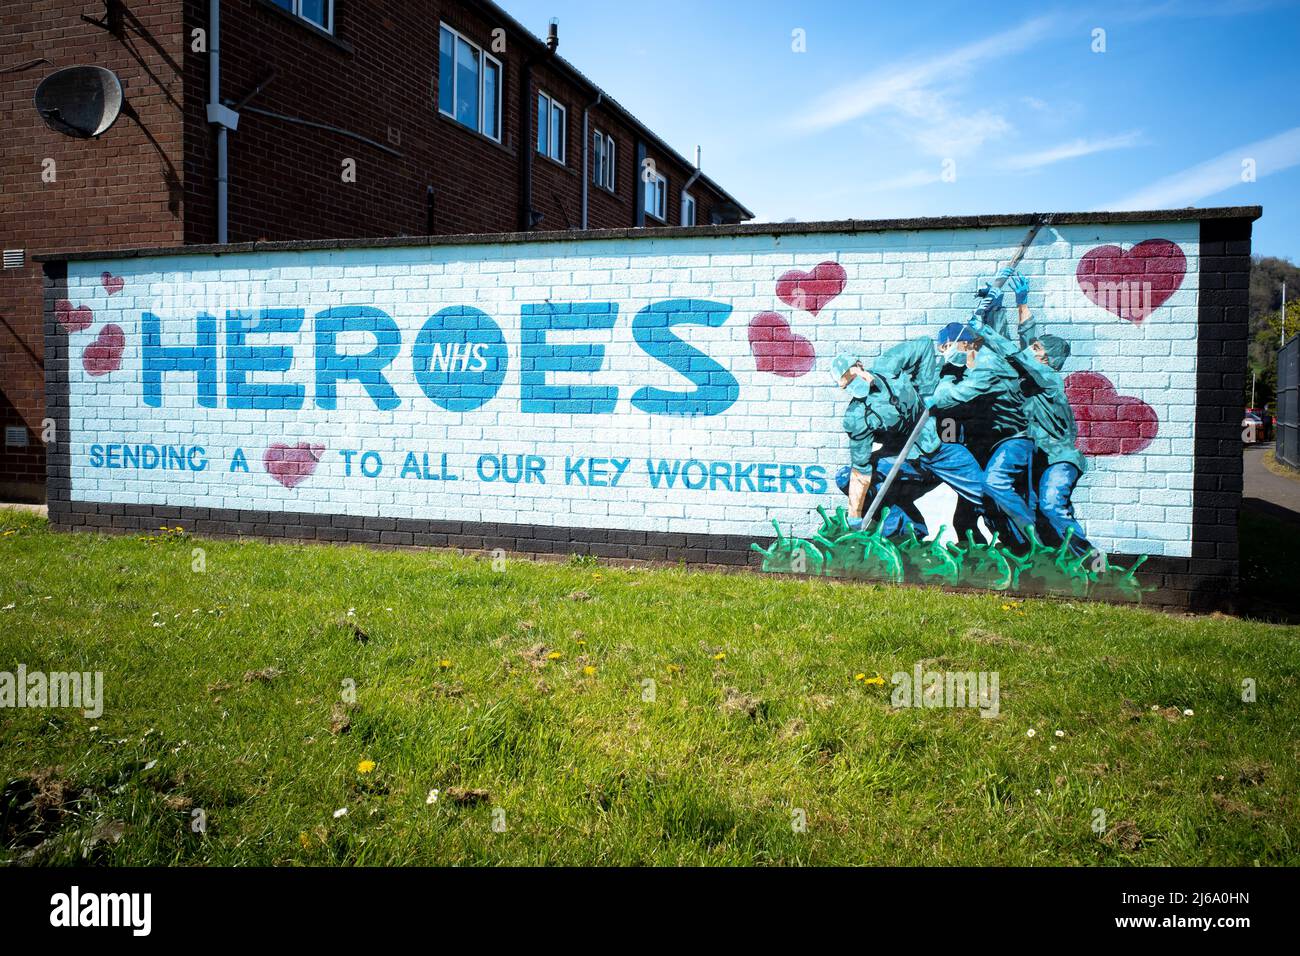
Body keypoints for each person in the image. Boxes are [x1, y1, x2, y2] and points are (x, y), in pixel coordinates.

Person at [968, 270, 1093, 556]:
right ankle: (1049, 556)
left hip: (1059, 458)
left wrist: (983, 326)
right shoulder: (1035, 374)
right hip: (1040, 458)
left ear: (1047, 359)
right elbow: (1024, 345)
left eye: (1037, 349)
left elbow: (1015, 352)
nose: (1031, 349)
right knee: (1041, 512)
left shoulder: (1050, 379)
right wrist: (1014, 304)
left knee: (1051, 505)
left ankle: (1089, 559)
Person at [832, 347, 985, 539]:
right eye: (848, 386)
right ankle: (908, 532)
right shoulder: (856, 416)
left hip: (939, 451)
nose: (855, 388)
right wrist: (854, 515)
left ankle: (1019, 540)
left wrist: (926, 389)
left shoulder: (889, 365)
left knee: (988, 493)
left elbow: (924, 347)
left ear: (860, 365)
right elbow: (860, 469)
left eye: (854, 378)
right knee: (845, 477)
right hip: (905, 461)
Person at [926, 283, 1036, 549]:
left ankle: (1025, 547)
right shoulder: (971, 366)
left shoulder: (984, 367)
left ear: (968, 343)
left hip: (1011, 441)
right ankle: (982, 556)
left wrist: (1003, 306)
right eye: (942, 348)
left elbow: (947, 398)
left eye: (949, 346)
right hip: (982, 447)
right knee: (965, 517)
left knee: (995, 500)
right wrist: (995, 305)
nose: (945, 352)